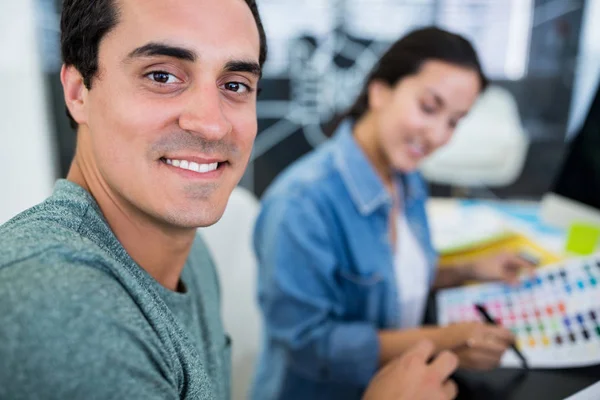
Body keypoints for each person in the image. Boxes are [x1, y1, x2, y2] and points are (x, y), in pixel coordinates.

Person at [0, 1, 460, 399]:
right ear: (79, 91)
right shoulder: (57, 305)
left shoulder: (191, 254)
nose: (213, 124)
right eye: (162, 75)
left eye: (235, 84)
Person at [252, 27, 535, 400]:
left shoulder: (406, 177)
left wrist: (468, 270)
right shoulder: (301, 203)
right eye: (429, 107)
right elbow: (307, 344)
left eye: (454, 121)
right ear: (380, 90)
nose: (437, 135)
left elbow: (392, 280)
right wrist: (444, 340)